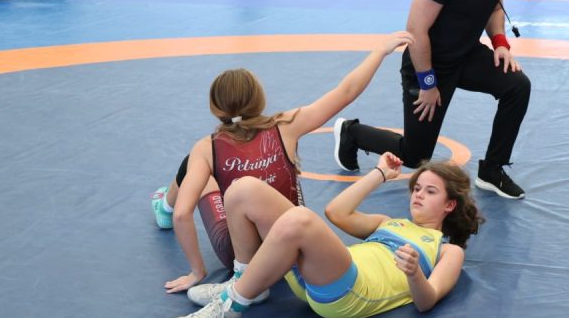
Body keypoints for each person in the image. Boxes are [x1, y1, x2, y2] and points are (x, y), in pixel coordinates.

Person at [152, 31, 415, 294]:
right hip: (290, 248)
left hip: (241, 257)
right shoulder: (285, 126)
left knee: (198, 170)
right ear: (259, 99)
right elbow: (346, 92)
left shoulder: (207, 147)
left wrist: (197, 272)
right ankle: (167, 203)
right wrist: (380, 51)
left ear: (215, 107)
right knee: (275, 174)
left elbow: (183, 214)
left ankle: (165, 205)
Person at [333, 0, 531, 200]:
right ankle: (352, 133)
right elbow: (416, 30)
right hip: (428, 65)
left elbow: (495, 6)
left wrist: (500, 43)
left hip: (466, 55)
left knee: (517, 86)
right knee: (415, 156)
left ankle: (492, 169)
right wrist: (427, 83)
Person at [166, 153, 481, 318]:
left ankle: (228, 311)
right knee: (243, 189)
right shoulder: (389, 222)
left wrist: (414, 274)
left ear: (449, 205)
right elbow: (336, 212)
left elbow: (427, 301)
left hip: (352, 294)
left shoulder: (447, 251)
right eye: (417, 188)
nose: (418, 195)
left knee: (301, 219)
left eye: (430, 191)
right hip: (320, 277)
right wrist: (379, 174)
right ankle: (246, 282)